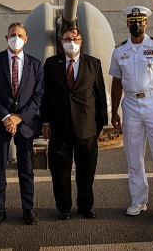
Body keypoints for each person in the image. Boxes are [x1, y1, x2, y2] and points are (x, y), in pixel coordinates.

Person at [109, 6, 153, 224]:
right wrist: (114, 111)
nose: (137, 25)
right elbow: (116, 83)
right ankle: (138, 200)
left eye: (140, 21)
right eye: (133, 22)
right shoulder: (119, 51)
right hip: (130, 103)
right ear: (127, 24)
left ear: (146, 23)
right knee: (133, 156)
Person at [41, 27, 108, 220]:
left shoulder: (93, 63)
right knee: (60, 171)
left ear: (81, 41)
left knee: (86, 170)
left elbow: (100, 94)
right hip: (59, 126)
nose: (71, 42)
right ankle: (64, 208)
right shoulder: (51, 63)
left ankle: (86, 206)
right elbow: (46, 94)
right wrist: (45, 121)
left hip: (87, 126)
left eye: (75, 38)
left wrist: (101, 124)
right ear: (61, 42)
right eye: (67, 39)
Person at [0, 22, 43, 227]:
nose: (15, 38)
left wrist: (19, 117)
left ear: (26, 39)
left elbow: (38, 96)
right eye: (12, 35)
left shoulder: (35, 64)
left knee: (26, 169)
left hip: (25, 124)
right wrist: (6, 117)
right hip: (1, 123)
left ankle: (28, 209)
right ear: (6, 38)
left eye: (19, 35)